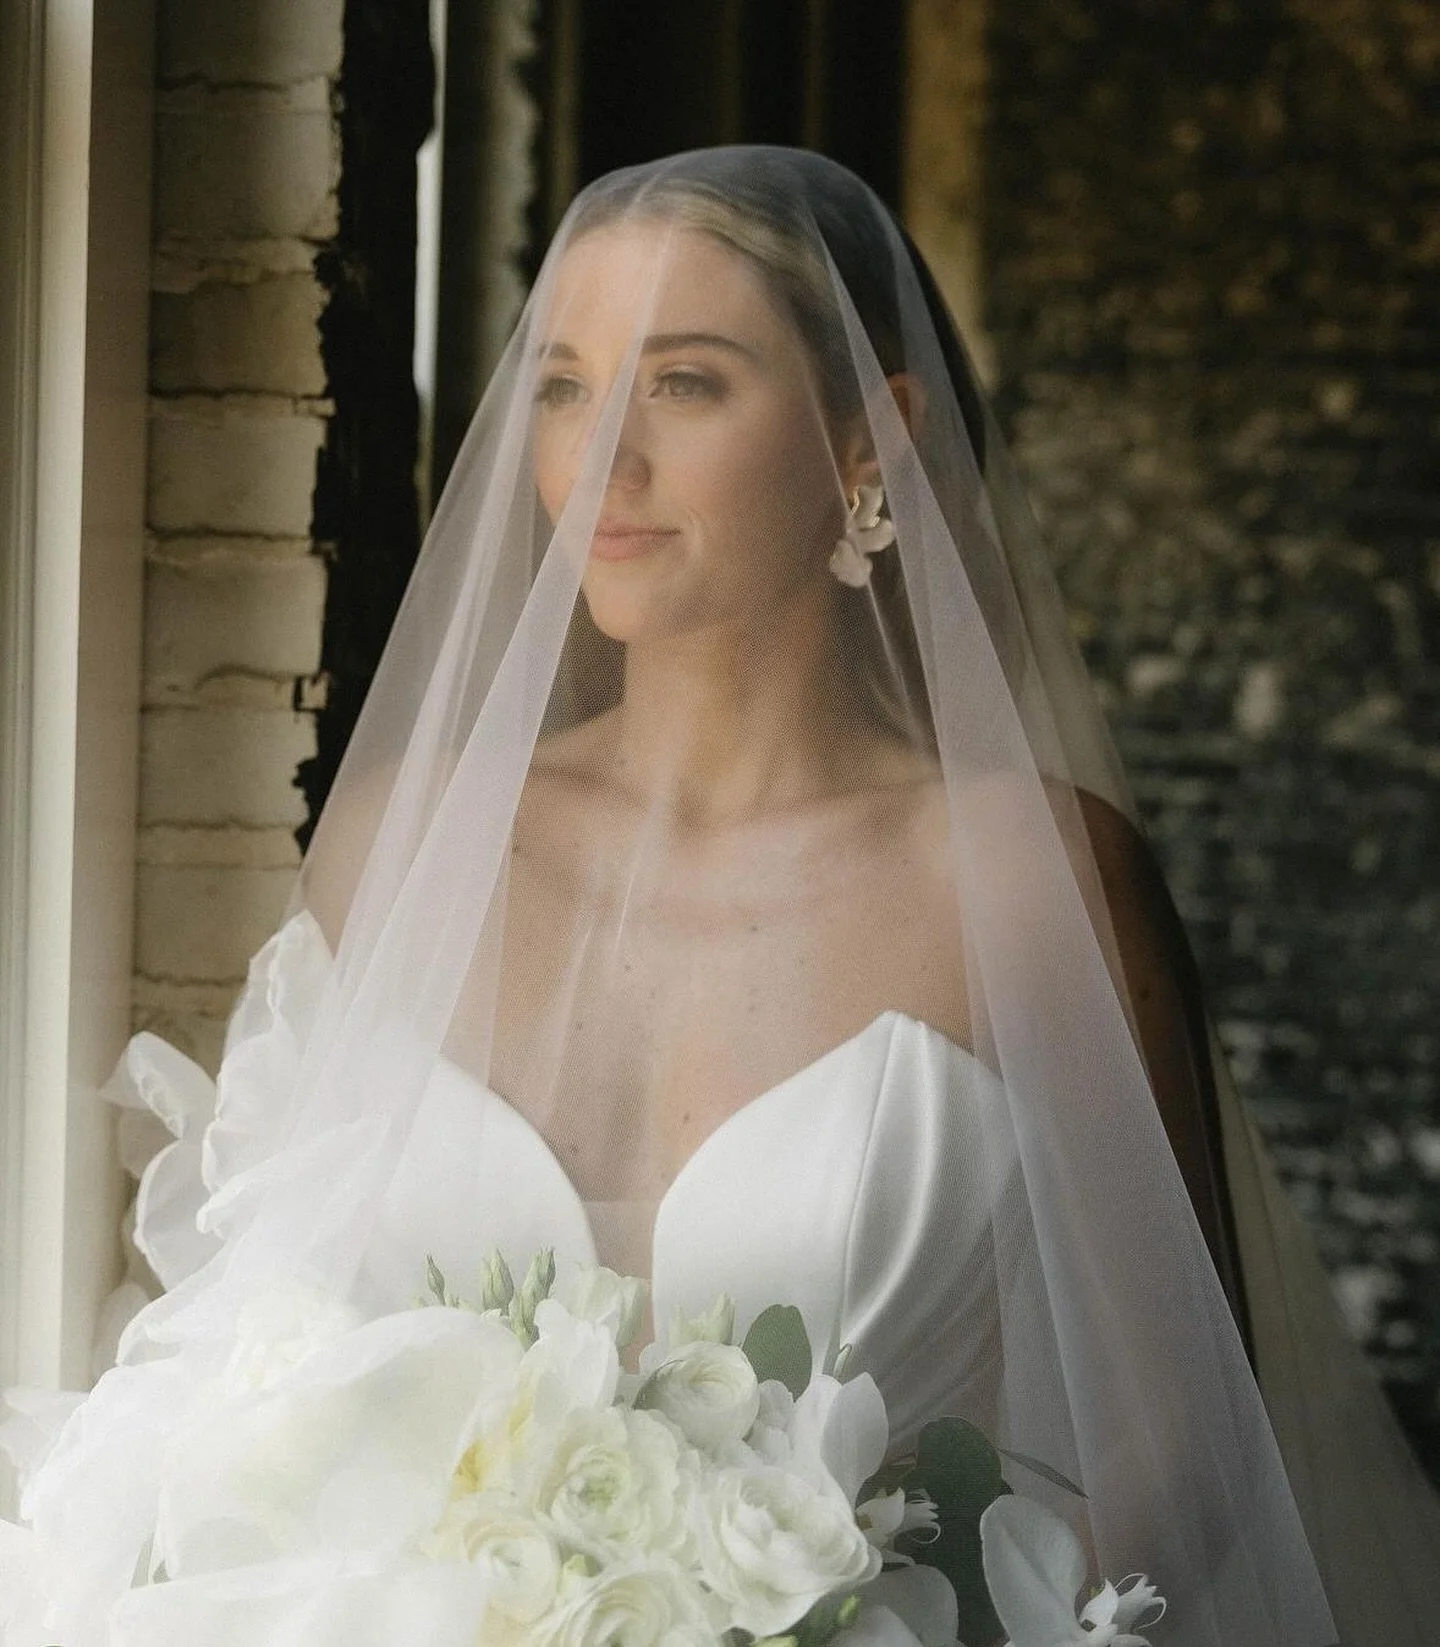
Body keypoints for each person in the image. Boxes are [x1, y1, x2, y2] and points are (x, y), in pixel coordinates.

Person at [5, 145, 1439, 1645]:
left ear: (867, 440)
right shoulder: (402, 848)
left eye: (684, 382)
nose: (600, 455)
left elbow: (1180, 1448)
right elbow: (246, 1346)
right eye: (563, 385)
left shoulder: (1024, 880)